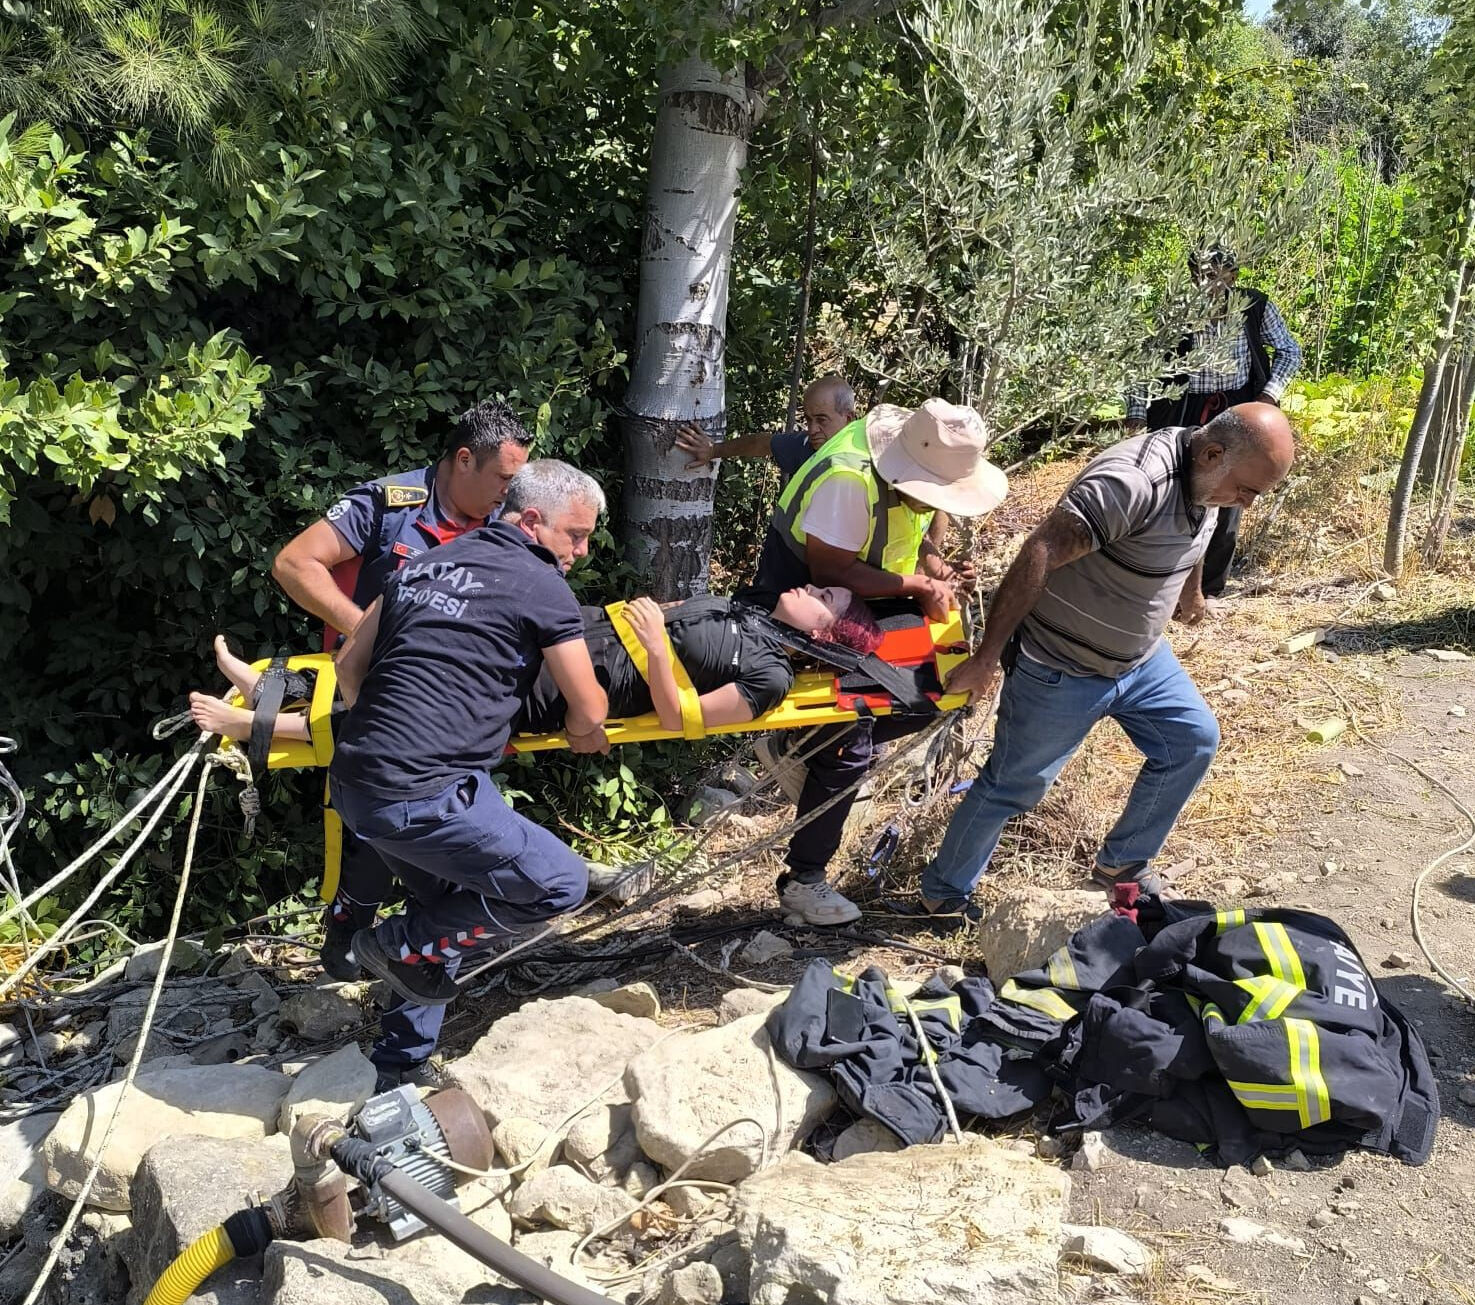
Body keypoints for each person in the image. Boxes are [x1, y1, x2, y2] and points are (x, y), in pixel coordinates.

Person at [899, 403, 1294, 924]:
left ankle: (1121, 866)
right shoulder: (1131, 483)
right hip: (1061, 664)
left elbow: (1199, 525)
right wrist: (986, 658)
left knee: (1191, 741)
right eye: (1246, 490)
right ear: (1213, 452)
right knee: (1013, 785)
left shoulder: (1209, 477)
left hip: (1141, 660)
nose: (1245, 503)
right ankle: (943, 894)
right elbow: (1038, 550)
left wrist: (1191, 596)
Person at [327, 459, 610, 1089]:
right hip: (426, 793)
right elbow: (589, 708)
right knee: (559, 884)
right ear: (532, 521)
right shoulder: (540, 585)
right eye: (576, 535)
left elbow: (350, 666)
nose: (582, 552)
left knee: (450, 908)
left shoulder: (422, 564)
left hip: (354, 783)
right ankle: (392, 944)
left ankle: (397, 1066)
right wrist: (582, 731)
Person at [271, 399, 534, 979]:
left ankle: (415, 945)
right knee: (382, 815)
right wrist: (367, 628)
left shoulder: (506, 522)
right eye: (503, 479)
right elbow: (294, 564)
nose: (509, 494)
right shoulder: (389, 505)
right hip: (374, 689)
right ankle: (359, 926)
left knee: (444, 821)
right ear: (464, 460)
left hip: (459, 703)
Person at [740, 398, 1008, 926]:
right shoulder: (850, 480)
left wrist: (937, 570)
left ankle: (801, 748)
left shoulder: (923, 446)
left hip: (865, 600)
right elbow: (831, 567)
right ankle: (805, 879)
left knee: (940, 691)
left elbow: (916, 531)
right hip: (806, 608)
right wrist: (920, 586)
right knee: (850, 734)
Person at [189, 585, 883, 745]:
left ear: (826, 635)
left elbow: (683, 721)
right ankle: (283, 688)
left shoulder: (770, 675)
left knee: (429, 717)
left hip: (583, 685)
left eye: (822, 599)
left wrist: (655, 644)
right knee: (435, 654)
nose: (808, 588)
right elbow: (667, 611)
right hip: (576, 631)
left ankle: (260, 727)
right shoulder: (748, 609)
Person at [1126, 248, 1302, 597]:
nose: (1205, 282)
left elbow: (1289, 350)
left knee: (1232, 498)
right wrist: (1137, 412)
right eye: (1200, 273)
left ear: (1233, 276)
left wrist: (1268, 395)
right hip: (1182, 411)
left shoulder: (1254, 306)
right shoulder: (1175, 311)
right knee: (1174, 495)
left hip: (1238, 409)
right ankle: (1163, 585)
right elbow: (1140, 363)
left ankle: (1208, 592)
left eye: (1216, 274)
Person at [675, 374, 959, 576]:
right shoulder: (809, 448)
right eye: (808, 419)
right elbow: (764, 443)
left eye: (822, 420)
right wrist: (713, 451)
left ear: (848, 418)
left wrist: (928, 566)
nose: (812, 429)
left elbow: (932, 508)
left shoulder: (883, 460)